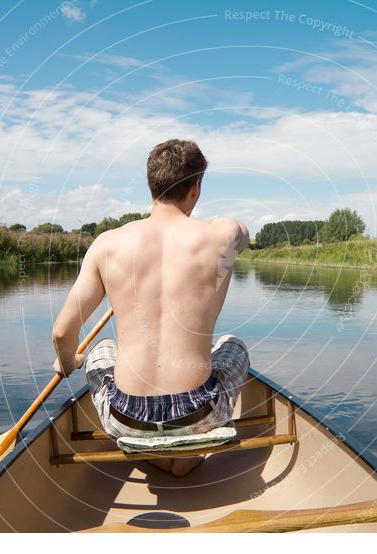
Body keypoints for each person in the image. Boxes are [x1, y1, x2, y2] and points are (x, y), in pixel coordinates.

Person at [51, 139, 250, 477]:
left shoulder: (107, 244)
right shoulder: (220, 237)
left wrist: (67, 360)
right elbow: (241, 232)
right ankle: (186, 452)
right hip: (199, 414)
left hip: (127, 419)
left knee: (101, 350)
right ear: (196, 187)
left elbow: (61, 332)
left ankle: (150, 451)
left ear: (151, 184)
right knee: (233, 346)